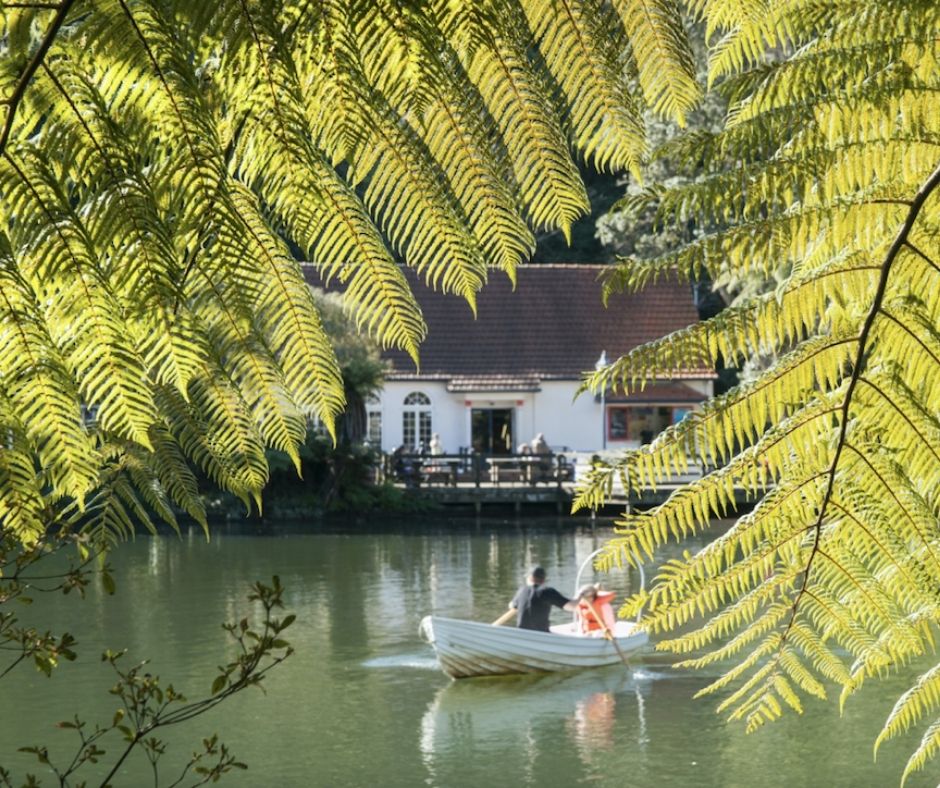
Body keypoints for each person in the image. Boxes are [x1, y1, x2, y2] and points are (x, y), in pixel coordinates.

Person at [508, 566, 580, 632]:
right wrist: (581, 595)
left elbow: (511, 605)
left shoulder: (521, 590)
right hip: (541, 634)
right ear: (543, 580)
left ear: (529, 578)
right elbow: (572, 606)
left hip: (522, 633)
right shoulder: (547, 591)